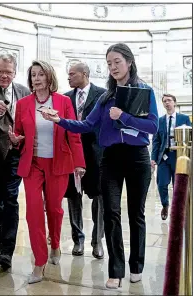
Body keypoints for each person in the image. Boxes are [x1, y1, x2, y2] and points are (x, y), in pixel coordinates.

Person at [42, 43, 159, 289]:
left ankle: (136, 265)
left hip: (137, 157)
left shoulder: (144, 90)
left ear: (129, 62)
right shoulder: (106, 97)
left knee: (136, 214)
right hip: (111, 159)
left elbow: (152, 127)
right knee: (111, 213)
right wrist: (59, 120)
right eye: (109, 63)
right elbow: (85, 125)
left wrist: (124, 117)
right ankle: (115, 270)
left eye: (117, 61)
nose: (113, 67)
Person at [8, 60, 86, 284]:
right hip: (32, 164)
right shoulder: (23, 104)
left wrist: (79, 163)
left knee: (54, 209)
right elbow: (19, 134)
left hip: (58, 163)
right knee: (33, 212)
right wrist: (15, 140)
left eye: (41, 74)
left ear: (49, 77)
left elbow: (73, 133)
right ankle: (39, 263)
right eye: (33, 75)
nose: (36, 78)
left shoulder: (63, 102)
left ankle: (55, 244)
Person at [0, 53, 30, 271]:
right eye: (0, 71)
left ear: (14, 72)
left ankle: (7, 250)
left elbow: (30, 121)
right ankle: (0, 239)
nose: (4, 76)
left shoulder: (23, 91)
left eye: (8, 72)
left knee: (11, 198)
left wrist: (23, 138)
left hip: (15, 153)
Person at [64, 62, 106, 258]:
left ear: (84, 74)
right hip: (72, 155)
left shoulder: (103, 95)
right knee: (73, 196)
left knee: (99, 197)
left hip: (96, 155)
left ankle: (97, 242)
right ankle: (77, 240)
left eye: (72, 74)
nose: (69, 77)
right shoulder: (65, 97)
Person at [151, 94, 191, 220]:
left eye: (169, 100)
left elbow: (190, 137)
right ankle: (165, 205)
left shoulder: (184, 118)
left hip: (179, 155)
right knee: (162, 183)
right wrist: (153, 158)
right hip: (164, 155)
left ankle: (177, 208)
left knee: (178, 184)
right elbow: (156, 140)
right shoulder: (160, 120)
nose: (167, 103)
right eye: (164, 101)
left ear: (174, 102)